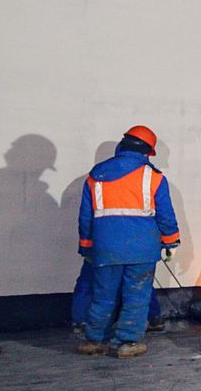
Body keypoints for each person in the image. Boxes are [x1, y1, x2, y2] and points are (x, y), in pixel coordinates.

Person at [77, 125, 180, 358]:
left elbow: (86, 215)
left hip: (105, 248)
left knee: (102, 294)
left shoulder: (96, 176)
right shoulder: (152, 177)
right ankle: (127, 342)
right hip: (141, 249)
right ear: (146, 151)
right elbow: (165, 214)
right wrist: (171, 241)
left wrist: (86, 245)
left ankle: (95, 341)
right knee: (136, 295)